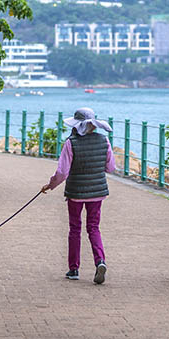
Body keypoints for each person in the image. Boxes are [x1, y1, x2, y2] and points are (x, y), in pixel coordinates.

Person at [41, 107, 116, 284]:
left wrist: (50, 185)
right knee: (94, 228)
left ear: (76, 125)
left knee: (75, 228)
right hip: (97, 193)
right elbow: (110, 167)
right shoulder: (104, 141)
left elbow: (62, 172)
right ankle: (100, 261)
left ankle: (74, 269)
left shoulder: (71, 142)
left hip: (75, 192)